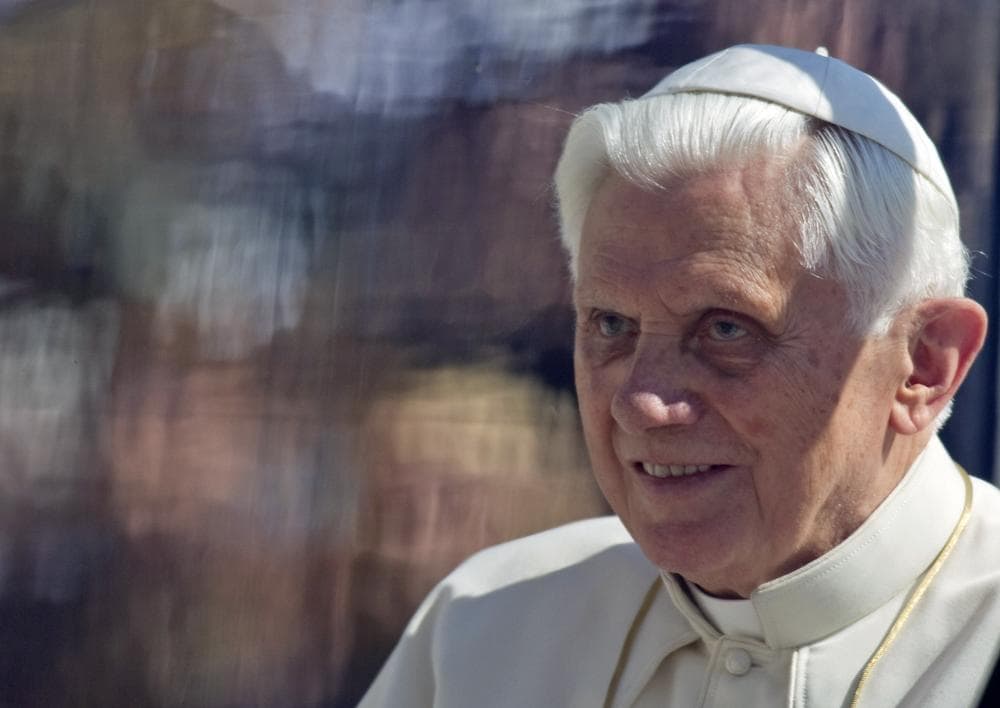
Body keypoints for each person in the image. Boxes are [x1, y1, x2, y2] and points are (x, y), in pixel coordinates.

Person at [358, 44, 1000, 707]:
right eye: (610, 325)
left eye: (726, 329)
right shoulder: (484, 627)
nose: (641, 403)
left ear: (924, 363)